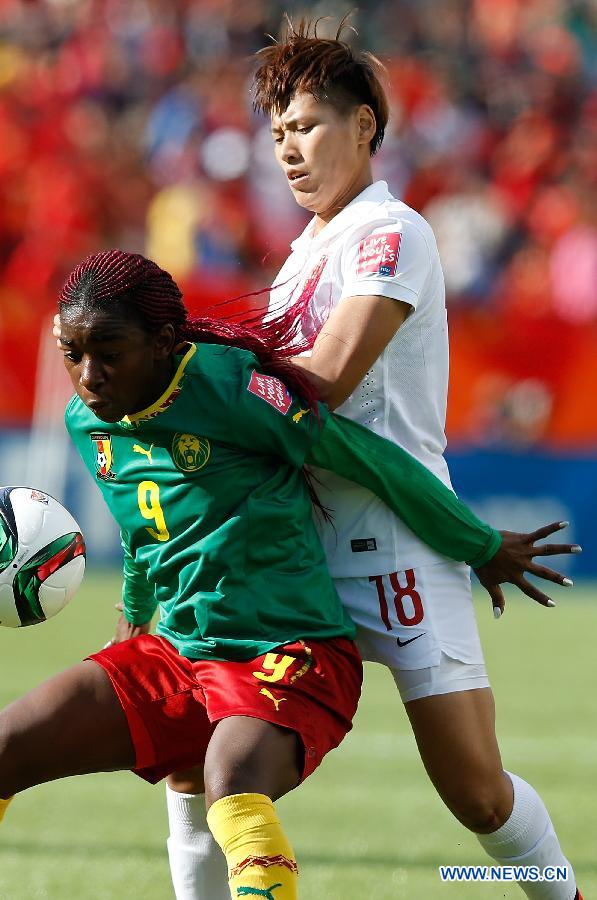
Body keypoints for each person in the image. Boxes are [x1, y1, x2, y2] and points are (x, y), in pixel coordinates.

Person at [0, 251, 575, 900]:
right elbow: (141, 526)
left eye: (109, 352)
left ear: (164, 341)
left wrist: (478, 542)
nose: (89, 374)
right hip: (181, 653)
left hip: (292, 653)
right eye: (73, 353)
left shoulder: (232, 388)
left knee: (231, 779)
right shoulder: (87, 419)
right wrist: (136, 607)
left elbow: (366, 458)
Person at [158, 21, 583, 900]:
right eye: (276, 133)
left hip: (398, 546)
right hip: (297, 560)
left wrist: (186, 378)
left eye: (306, 126)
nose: (288, 149)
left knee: (475, 795)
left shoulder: (390, 232)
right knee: (201, 758)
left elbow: (325, 380)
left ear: (362, 126)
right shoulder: (298, 258)